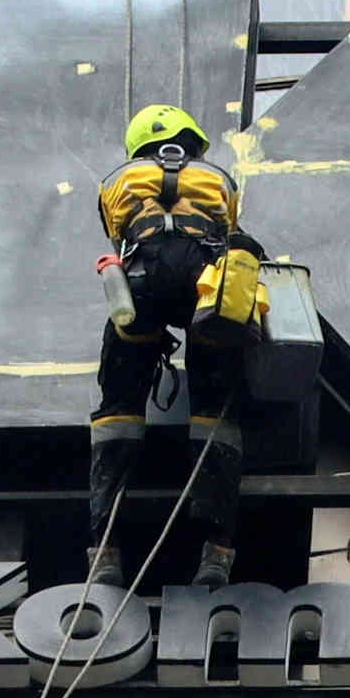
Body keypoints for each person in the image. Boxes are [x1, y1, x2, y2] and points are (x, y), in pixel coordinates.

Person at [91, 101, 272, 581]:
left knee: (118, 413)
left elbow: (116, 235)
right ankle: (217, 550)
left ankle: (104, 550)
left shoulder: (116, 181)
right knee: (215, 416)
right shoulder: (221, 180)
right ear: (192, 142)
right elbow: (229, 231)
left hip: (141, 286)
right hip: (204, 290)